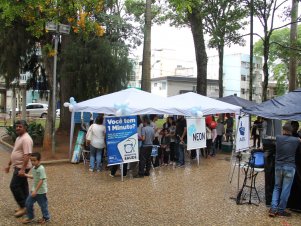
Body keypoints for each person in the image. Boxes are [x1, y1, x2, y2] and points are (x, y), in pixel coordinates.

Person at [269, 123, 301, 217]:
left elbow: (270, 141)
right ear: (291, 131)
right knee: (285, 190)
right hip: (290, 168)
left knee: (277, 187)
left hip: (278, 167)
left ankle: (273, 209)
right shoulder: (296, 140)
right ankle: (281, 211)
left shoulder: (278, 138)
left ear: (283, 130)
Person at [4, 120, 33, 218]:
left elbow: (27, 155)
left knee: (14, 186)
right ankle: (27, 205)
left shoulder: (26, 139)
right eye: (16, 126)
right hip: (18, 166)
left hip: (22, 167)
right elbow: (15, 152)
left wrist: (22, 170)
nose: (17, 128)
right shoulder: (18, 138)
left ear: (25, 127)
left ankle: (23, 207)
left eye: (20, 126)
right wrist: (9, 164)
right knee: (23, 186)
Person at [21, 152, 50, 224]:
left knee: (43, 206)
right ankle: (30, 217)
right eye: (31, 160)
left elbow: (41, 180)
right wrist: (25, 175)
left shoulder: (41, 168)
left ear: (39, 160)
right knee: (28, 203)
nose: (32, 162)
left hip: (41, 192)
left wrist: (35, 191)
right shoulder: (34, 168)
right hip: (34, 190)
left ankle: (46, 218)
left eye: (34, 160)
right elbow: (34, 176)